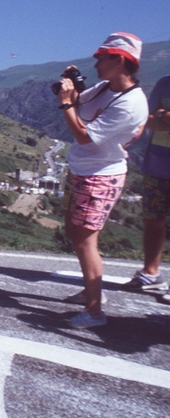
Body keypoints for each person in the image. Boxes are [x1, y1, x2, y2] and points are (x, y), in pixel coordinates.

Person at [57, 32, 148, 328]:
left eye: (101, 58)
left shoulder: (131, 103)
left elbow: (84, 135)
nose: (95, 63)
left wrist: (66, 104)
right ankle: (92, 291)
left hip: (100, 175)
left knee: (86, 241)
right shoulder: (106, 88)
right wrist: (73, 87)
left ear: (119, 60)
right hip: (83, 169)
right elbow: (80, 104)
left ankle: (94, 312)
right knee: (76, 233)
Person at [123, 74, 170, 300]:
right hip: (156, 166)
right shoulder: (164, 83)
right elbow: (144, 119)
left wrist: (162, 115)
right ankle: (151, 274)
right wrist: (162, 117)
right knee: (153, 221)